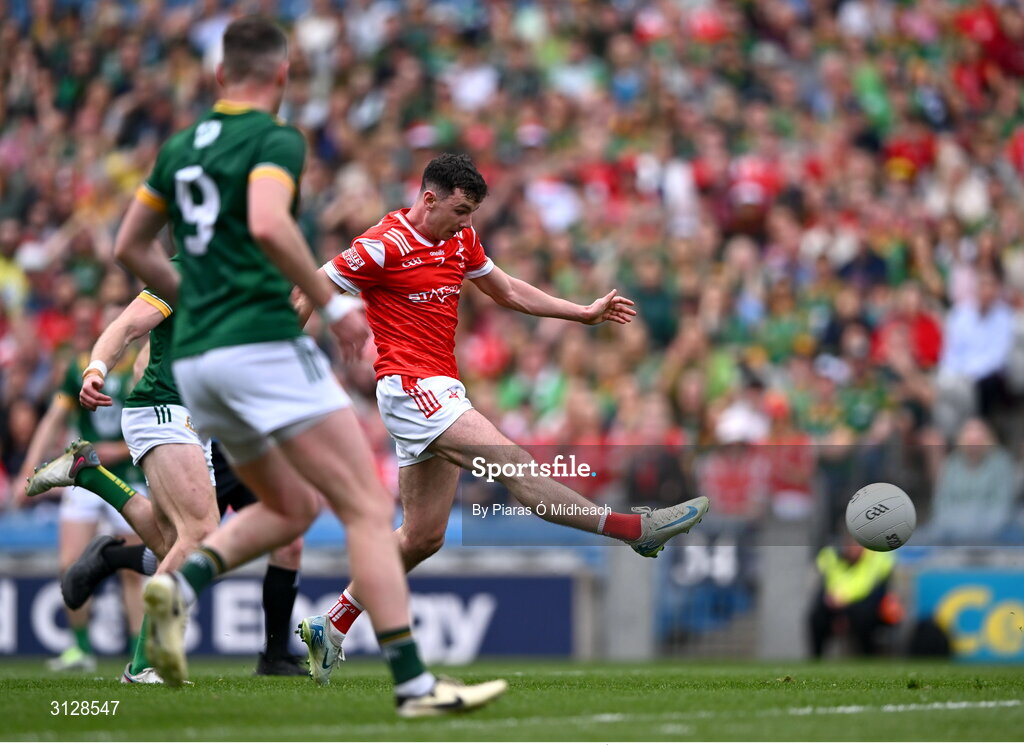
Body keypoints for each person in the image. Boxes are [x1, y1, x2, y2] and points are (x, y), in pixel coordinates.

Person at [111, 17, 504, 716]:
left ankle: (184, 582)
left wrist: (197, 303)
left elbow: (129, 247)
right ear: (282, 78)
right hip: (260, 344)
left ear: (218, 75)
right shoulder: (274, 139)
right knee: (364, 506)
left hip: (199, 363)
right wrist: (332, 301)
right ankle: (414, 684)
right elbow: (267, 222)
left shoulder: (177, 149)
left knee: (290, 509)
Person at [297, 153, 709, 679]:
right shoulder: (384, 244)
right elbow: (310, 284)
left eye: (472, 212)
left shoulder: (460, 240)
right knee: (512, 463)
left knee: (423, 536)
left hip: (441, 385)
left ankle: (331, 624)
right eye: (461, 209)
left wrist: (579, 312)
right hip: (410, 388)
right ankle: (635, 528)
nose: (468, 223)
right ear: (429, 198)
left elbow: (508, 290)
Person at [28, 273, 305, 680]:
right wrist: (96, 369)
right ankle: (144, 664)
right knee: (203, 533)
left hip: (198, 423)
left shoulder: (244, 275)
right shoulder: (182, 271)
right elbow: (127, 327)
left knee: (173, 543)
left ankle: (89, 474)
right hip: (165, 409)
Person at [11, 309, 145, 673]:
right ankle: (80, 649)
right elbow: (54, 417)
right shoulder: (78, 370)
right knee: (68, 563)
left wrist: (120, 448)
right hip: (84, 476)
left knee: (133, 572)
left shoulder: (140, 367)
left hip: (128, 477)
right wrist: (28, 468)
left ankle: (138, 652)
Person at [808, 533, 898, 658]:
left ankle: (868, 657)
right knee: (816, 617)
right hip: (835, 607)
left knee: (865, 615)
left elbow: (877, 593)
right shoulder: (832, 558)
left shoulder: (878, 559)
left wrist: (846, 610)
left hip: (865, 607)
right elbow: (824, 587)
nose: (854, 548)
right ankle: (816, 658)